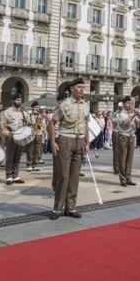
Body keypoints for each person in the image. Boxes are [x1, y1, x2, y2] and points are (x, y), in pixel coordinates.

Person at [48, 78, 88, 219]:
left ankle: (71, 208)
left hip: (79, 140)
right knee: (63, 176)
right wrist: (53, 142)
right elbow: (52, 123)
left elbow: (86, 124)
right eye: (79, 87)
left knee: (74, 177)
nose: (82, 89)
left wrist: (87, 142)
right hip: (65, 139)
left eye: (83, 87)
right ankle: (57, 209)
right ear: (71, 89)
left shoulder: (86, 105)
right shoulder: (64, 104)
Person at [113, 96, 140, 186]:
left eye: (131, 103)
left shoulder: (131, 113)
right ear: (124, 104)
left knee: (129, 159)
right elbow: (125, 123)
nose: (131, 105)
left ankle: (128, 177)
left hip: (131, 137)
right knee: (122, 159)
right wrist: (134, 115)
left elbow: (139, 123)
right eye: (128, 103)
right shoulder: (121, 113)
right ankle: (123, 179)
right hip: (123, 137)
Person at [2, 93, 28, 185]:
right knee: (10, 157)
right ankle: (9, 177)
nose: (19, 102)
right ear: (12, 101)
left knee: (17, 157)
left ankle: (15, 176)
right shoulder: (7, 111)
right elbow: (3, 123)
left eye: (20, 100)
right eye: (17, 100)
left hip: (20, 136)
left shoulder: (24, 113)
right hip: (11, 135)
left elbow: (27, 124)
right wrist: (4, 131)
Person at [26, 101, 45, 171]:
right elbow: (26, 123)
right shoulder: (28, 115)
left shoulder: (40, 116)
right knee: (30, 149)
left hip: (38, 134)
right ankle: (29, 164)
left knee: (37, 150)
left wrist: (40, 126)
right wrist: (29, 123)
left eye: (38, 107)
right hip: (31, 134)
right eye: (35, 107)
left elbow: (43, 125)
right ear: (32, 108)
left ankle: (34, 164)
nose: (37, 108)